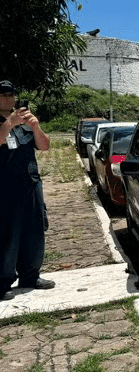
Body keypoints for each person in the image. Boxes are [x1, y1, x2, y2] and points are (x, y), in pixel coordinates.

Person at [0, 80, 55, 301]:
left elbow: (45, 146)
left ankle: (30, 276)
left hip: (31, 185)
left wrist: (35, 126)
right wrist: (8, 124)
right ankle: (3, 282)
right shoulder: (8, 123)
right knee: (6, 236)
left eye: (11, 95)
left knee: (34, 231)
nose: (8, 99)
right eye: (3, 95)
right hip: (5, 189)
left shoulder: (24, 123)